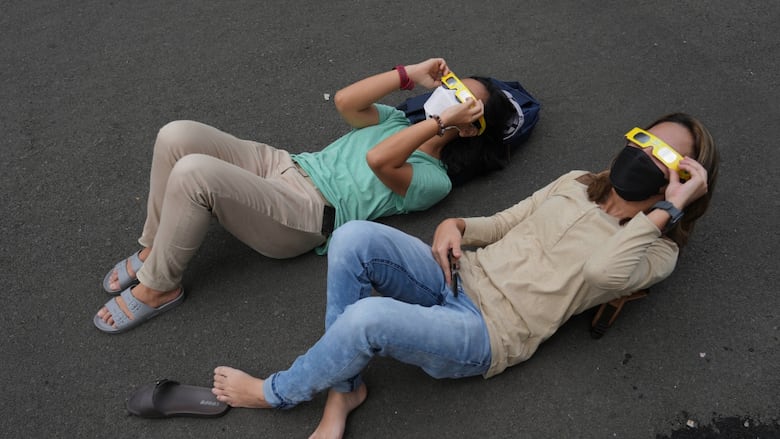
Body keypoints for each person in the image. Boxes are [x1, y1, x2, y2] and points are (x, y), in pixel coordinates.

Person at [210, 113, 719, 439]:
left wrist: (667, 211)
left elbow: (602, 271)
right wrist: (456, 225)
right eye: (647, 140)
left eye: (669, 158)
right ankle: (346, 388)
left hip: (489, 333)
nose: (649, 155)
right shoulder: (577, 183)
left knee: (367, 318)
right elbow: (505, 222)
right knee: (352, 237)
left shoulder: (656, 251)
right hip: (458, 274)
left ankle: (277, 392)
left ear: (686, 182)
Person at [94, 57, 521, 333]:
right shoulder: (395, 121)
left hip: (308, 214)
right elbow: (345, 102)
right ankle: (154, 250)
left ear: (468, 127)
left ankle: (159, 287)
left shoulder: (435, 179)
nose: (446, 96)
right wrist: (410, 75)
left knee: (194, 174)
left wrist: (440, 122)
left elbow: (379, 161)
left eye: (460, 99)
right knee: (176, 136)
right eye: (450, 85)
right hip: (284, 165)